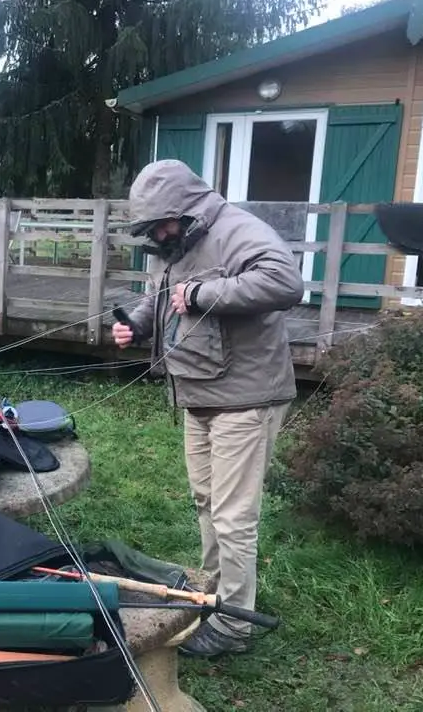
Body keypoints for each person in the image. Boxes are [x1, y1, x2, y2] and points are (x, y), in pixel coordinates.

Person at [112, 159, 304, 658]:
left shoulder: (239, 230)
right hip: (199, 392)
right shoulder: (175, 244)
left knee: (234, 515)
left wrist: (203, 292)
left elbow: (285, 283)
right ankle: (215, 599)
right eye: (150, 228)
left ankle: (234, 627)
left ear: (187, 207)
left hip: (247, 394)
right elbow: (161, 299)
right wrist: (136, 325)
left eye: (161, 223)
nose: (157, 234)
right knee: (207, 503)